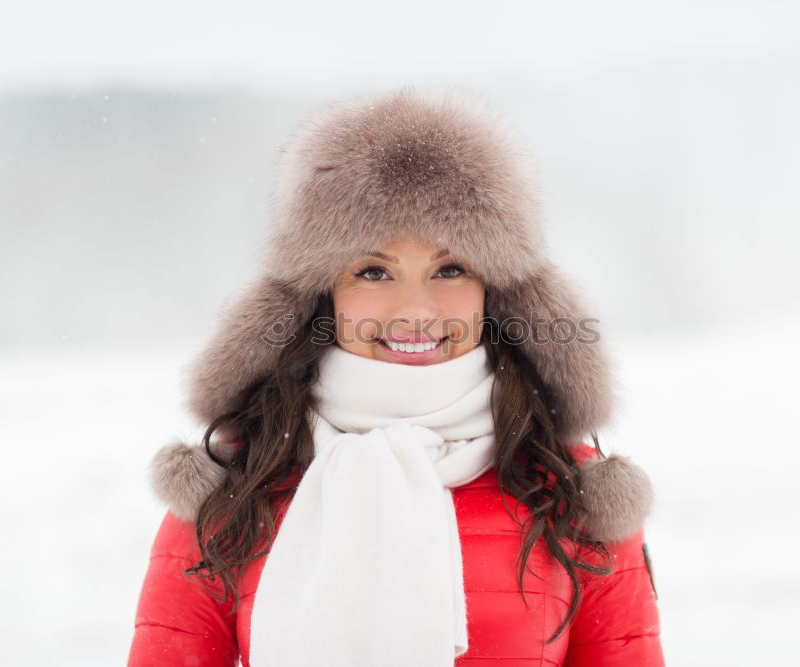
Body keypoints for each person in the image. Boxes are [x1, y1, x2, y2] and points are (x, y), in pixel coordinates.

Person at [127, 86, 665, 666]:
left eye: (450, 268)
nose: (415, 309)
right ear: (323, 295)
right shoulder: (231, 490)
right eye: (374, 271)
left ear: (498, 292)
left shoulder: (574, 492)